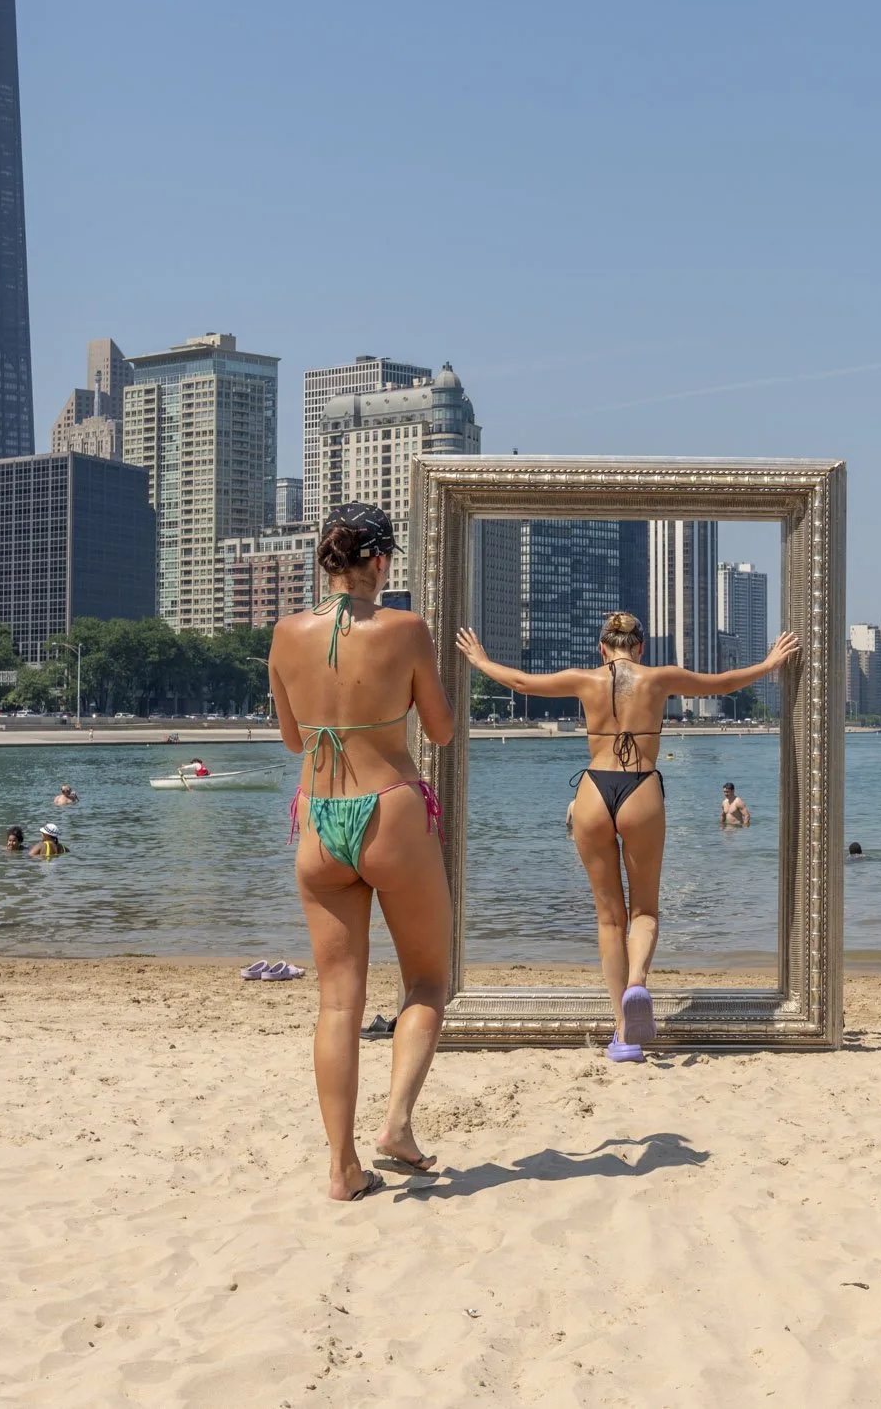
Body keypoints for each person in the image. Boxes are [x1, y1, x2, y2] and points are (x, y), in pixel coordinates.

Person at [458, 610, 799, 1063]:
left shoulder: (584, 678)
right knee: (645, 910)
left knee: (608, 919)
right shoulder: (659, 678)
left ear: (602, 648)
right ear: (640, 648)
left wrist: (480, 660)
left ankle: (623, 1033)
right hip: (640, 789)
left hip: (594, 792)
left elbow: (521, 682)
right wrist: (770, 662)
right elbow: (723, 683)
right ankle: (638, 980)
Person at [270, 502, 456, 1199]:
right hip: (389, 812)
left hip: (318, 820)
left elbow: (294, 739)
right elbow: (439, 731)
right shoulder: (405, 629)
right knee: (428, 982)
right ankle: (397, 1126)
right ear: (380, 562)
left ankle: (342, 1168)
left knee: (338, 1004)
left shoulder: (286, 633)